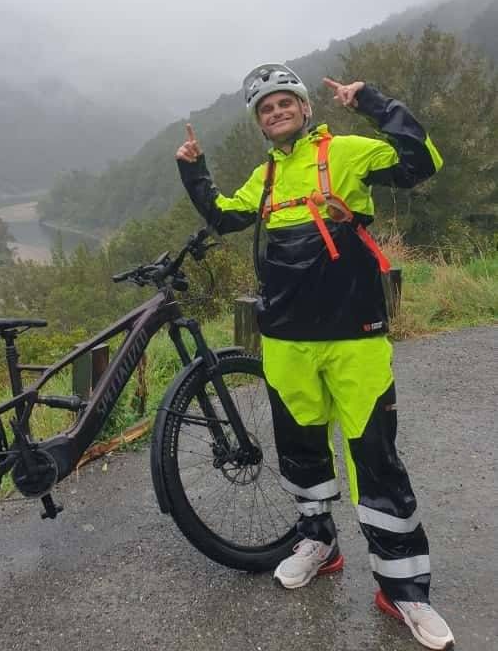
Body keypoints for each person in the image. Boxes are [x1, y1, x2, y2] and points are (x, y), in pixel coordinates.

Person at [176, 64, 454, 651]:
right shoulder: (267, 176)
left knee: (374, 456)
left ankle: (403, 590)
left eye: (284, 103)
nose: (276, 113)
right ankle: (318, 544)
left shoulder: (347, 151)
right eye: (265, 109)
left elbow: (421, 162)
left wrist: (373, 100)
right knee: (300, 448)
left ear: (304, 108)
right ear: (260, 123)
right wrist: (193, 171)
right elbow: (227, 215)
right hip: (285, 340)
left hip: (354, 335)